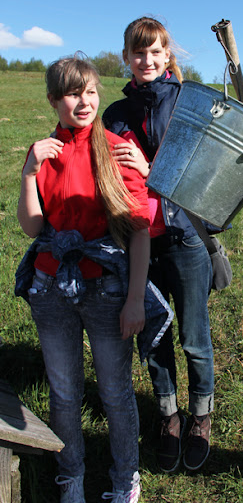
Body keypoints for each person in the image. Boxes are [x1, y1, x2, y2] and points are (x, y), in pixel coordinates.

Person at [15, 57, 171, 503]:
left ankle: (125, 480)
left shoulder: (114, 147)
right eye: (71, 93)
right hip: (51, 290)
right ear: (53, 100)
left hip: (105, 289)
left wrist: (136, 299)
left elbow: (139, 231)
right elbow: (31, 227)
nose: (83, 102)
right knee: (63, 392)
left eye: (89, 92)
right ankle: (72, 477)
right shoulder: (45, 152)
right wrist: (29, 172)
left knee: (115, 393)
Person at [102, 17, 214, 473]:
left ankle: (201, 417)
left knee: (193, 337)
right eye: (137, 52)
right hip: (136, 242)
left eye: (154, 51)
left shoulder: (190, 103)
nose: (146, 60)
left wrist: (152, 170)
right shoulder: (114, 115)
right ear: (126, 57)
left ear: (168, 55)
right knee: (155, 335)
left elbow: (206, 170)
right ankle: (169, 415)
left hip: (185, 237)